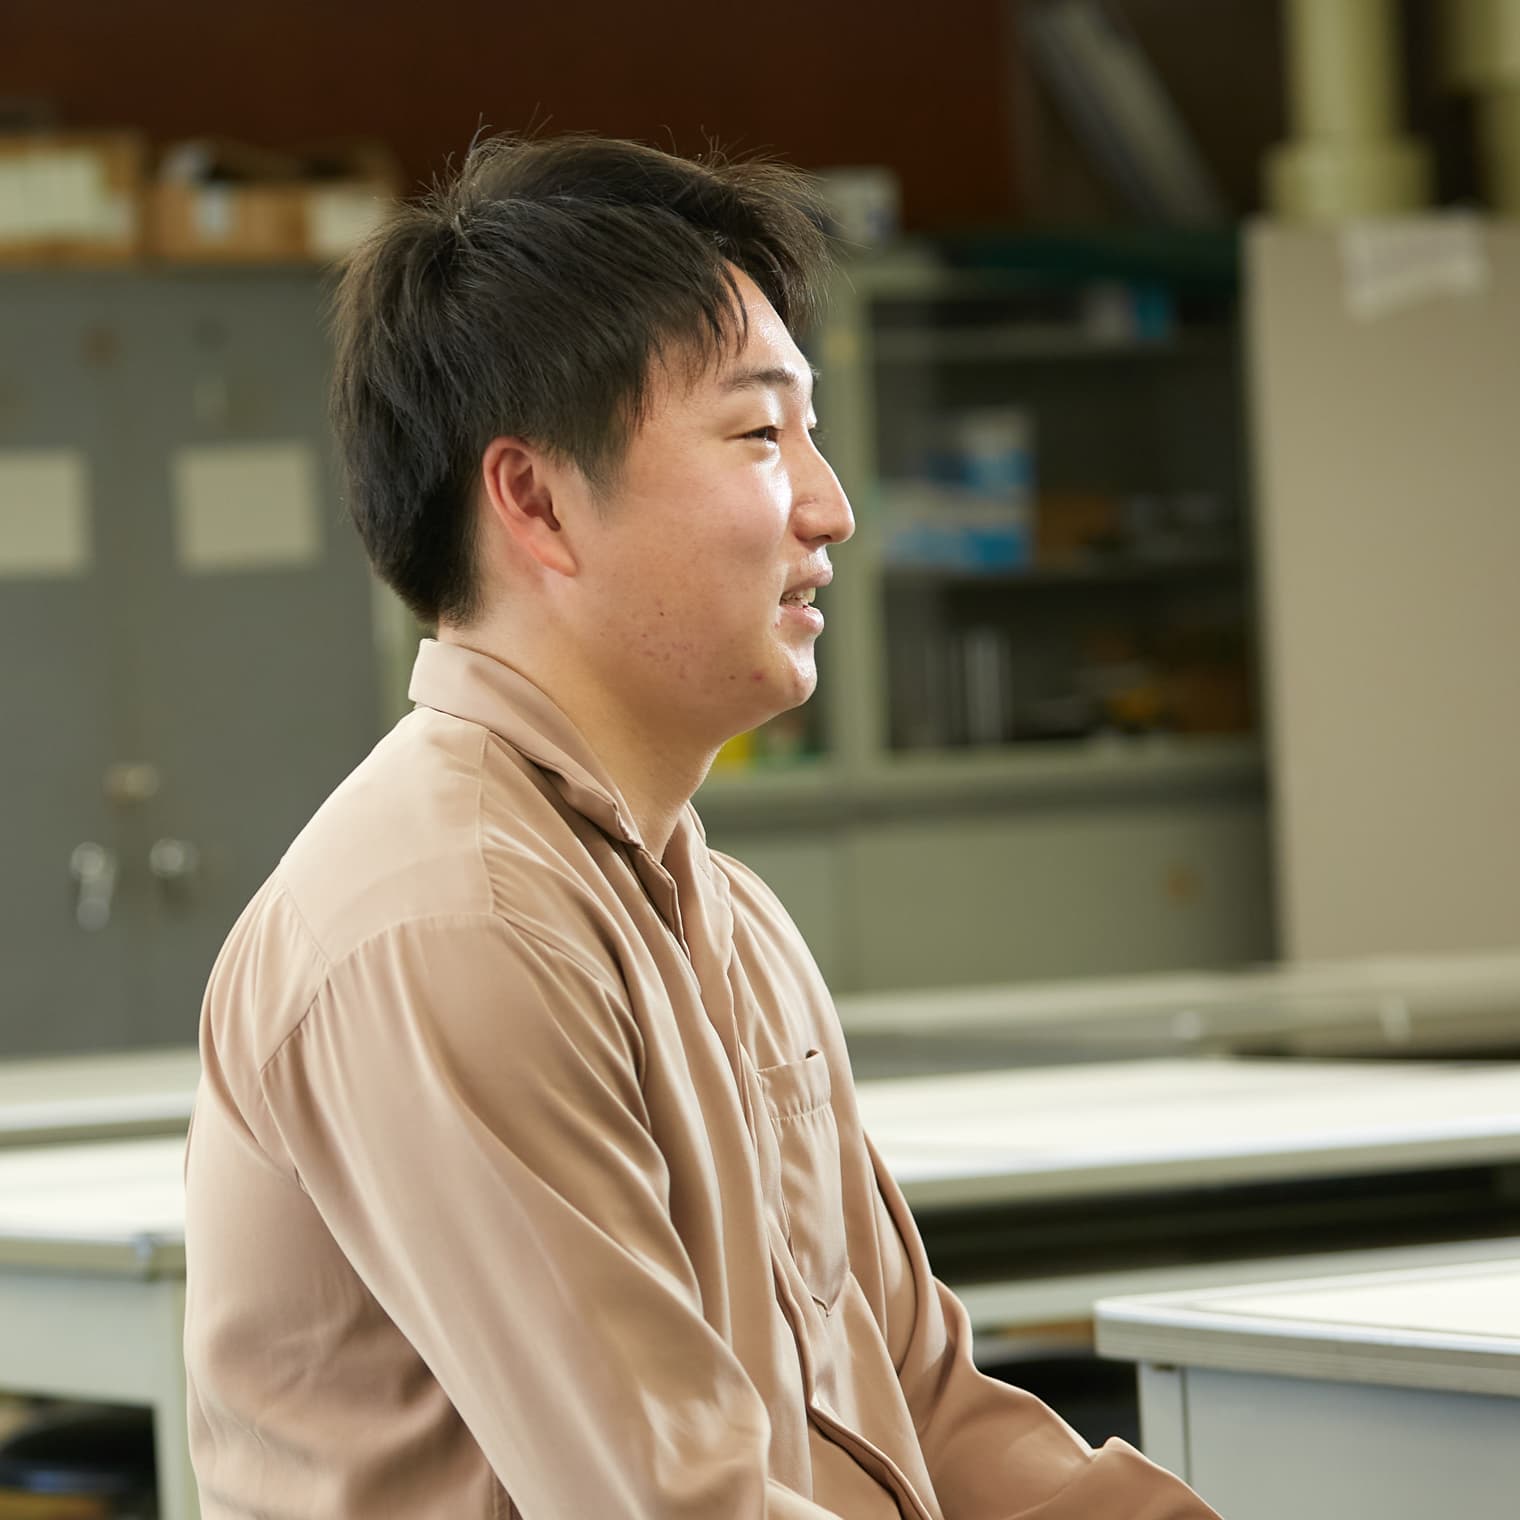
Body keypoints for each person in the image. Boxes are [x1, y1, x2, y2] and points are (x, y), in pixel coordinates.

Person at [182, 133, 1220, 1519]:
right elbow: (673, 1505)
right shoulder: (449, 925)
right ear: (536, 501)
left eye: (811, 432)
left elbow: (925, 1404)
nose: (831, 507)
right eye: (758, 435)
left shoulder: (728, 919)